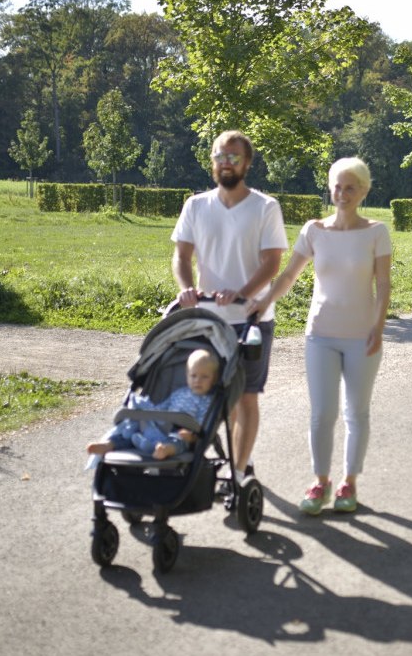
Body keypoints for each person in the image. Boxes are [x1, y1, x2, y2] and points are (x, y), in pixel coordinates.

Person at [249, 157, 392, 515]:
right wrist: (263, 301)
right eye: (337, 187)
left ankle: (349, 483)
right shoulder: (314, 230)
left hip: (363, 337)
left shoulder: (377, 232)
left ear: (364, 191)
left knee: (356, 412)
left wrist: (378, 327)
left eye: (350, 187)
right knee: (322, 413)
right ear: (329, 189)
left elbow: (384, 284)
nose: (342, 194)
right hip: (320, 336)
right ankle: (320, 482)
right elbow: (288, 277)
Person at [171, 130, 288, 484]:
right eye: (220, 156)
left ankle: (239, 471)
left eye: (234, 157)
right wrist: (187, 288)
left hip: (250, 319)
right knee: (203, 393)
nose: (226, 163)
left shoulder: (265, 207)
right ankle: (201, 456)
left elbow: (271, 263)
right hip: (206, 319)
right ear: (212, 161)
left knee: (245, 399)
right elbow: (181, 256)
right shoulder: (196, 205)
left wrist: (240, 292)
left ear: (247, 163)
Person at [86, 349, 219, 460]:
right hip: (161, 426)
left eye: (204, 377)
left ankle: (165, 450)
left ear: (214, 379)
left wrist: (193, 436)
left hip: (182, 432)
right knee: (131, 428)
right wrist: (148, 413)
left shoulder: (209, 401)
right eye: (193, 376)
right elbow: (162, 408)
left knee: (177, 441)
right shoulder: (179, 393)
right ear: (187, 375)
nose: (198, 381)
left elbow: (205, 423)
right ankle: (109, 444)